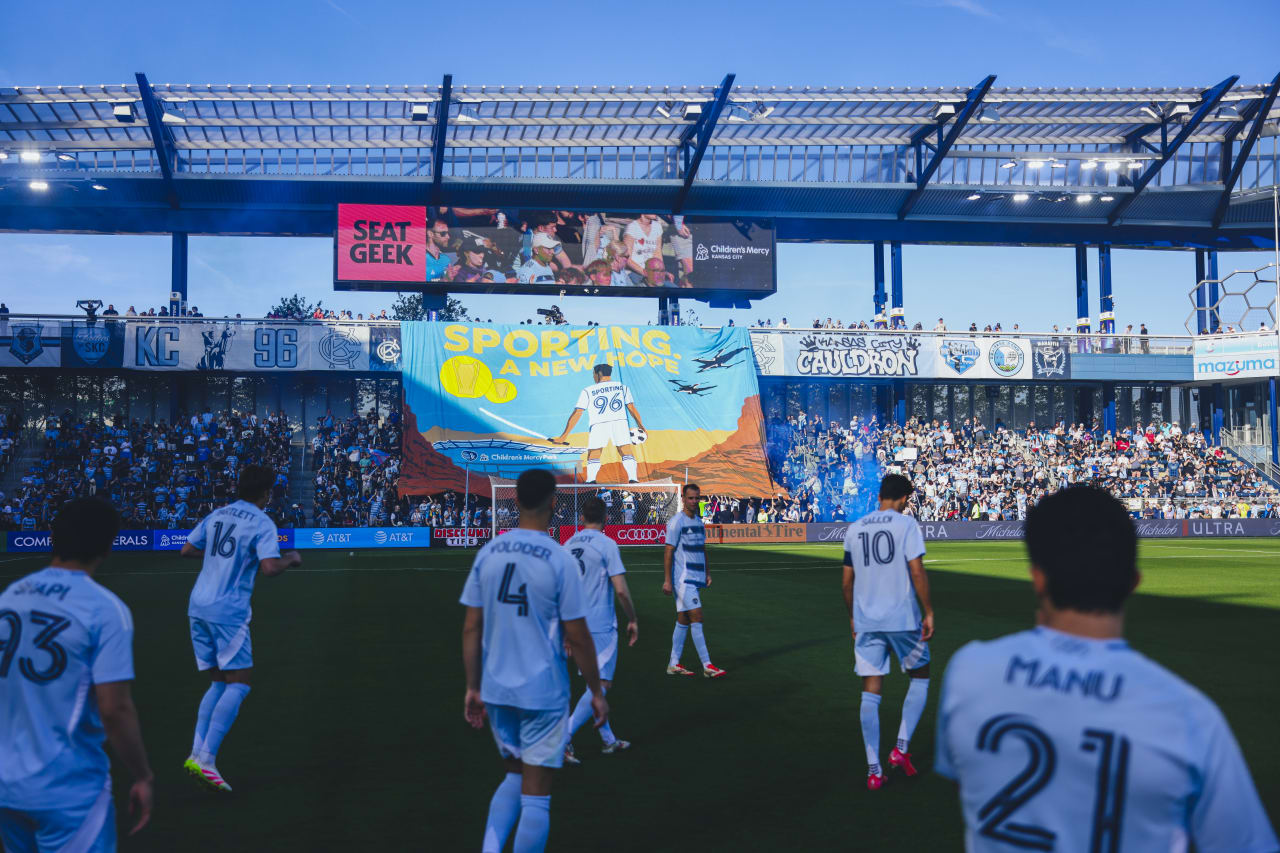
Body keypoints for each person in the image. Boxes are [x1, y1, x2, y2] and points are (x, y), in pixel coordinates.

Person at [935, 486, 1277, 851]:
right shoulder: (1189, 717)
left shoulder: (969, 673)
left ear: (1036, 577)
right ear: (1134, 582)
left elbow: (966, 783)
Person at [461, 469, 607, 853]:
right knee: (537, 795)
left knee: (512, 775)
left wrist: (473, 687)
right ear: (554, 503)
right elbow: (578, 634)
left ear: (514, 500)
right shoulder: (558, 558)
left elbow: (470, 628)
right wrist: (596, 691)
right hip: (542, 691)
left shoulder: (489, 551)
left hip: (496, 688)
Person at [0, 498, 154, 850]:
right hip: (66, 786)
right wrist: (143, 775)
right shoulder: (105, 608)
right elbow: (114, 709)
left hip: (6, 783)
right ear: (108, 544)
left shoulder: (11, 596)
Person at [179, 464, 302, 792]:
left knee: (218, 681)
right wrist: (291, 559)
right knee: (240, 683)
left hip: (198, 605)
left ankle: (195, 753)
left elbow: (187, 549)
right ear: (266, 492)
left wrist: (220, 560)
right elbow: (269, 568)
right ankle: (206, 759)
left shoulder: (218, 514)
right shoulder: (262, 521)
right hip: (227, 610)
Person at [841, 473, 933, 790]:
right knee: (921, 675)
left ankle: (873, 770)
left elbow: (846, 582)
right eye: (908, 498)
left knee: (871, 688)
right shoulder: (906, 525)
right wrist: (929, 611)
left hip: (866, 619)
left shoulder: (855, 529)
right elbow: (917, 571)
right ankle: (901, 749)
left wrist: (853, 618)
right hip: (902, 617)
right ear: (903, 497)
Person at [561, 497, 639, 765]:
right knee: (602, 685)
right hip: (600, 626)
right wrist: (633, 619)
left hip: (573, 623)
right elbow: (620, 589)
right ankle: (562, 740)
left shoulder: (568, 544)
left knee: (592, 685)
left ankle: (608, 740)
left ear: (581, 518)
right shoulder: (607, 544)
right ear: (606, 518)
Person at [663, 482, 727, 678]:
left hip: (696, 578)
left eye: (696, 498)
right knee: (697, 617)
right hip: (682, 580)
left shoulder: (699, 522)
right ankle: (707, 665)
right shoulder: (676, 522)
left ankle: (673, 664)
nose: (693, 501)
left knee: (683, 619)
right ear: (682, 499)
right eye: (690, 498)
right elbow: (668, 551)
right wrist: (667, 580)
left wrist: (707, 572)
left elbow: (703, 549)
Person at [550, 363, 646, 484]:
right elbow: (631, 407)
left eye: (594, 374)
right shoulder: (622, 387)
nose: (593, 377)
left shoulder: (588, 390)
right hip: (619, 422)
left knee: (594, 452)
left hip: (599, 423)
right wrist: (641, 427)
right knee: (625, 450)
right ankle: (633, 479)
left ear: (598, 374)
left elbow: (577, 412)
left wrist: (564, 436)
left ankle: (591, 480)